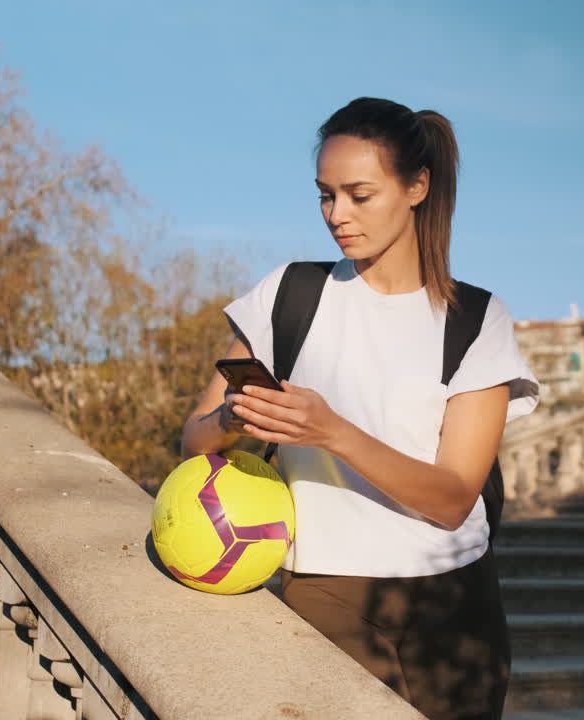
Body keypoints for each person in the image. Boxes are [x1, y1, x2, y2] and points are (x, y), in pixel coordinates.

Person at [181, 97, 538, 720]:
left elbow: (454, 498)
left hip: (455, 603)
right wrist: (233, 419)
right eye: (325, 195)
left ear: (417, 187)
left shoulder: (477, 320)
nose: (337, 215)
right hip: (324, 589)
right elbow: (192, 442)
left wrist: (333, 433)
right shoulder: (288, 294)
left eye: (359, 195)